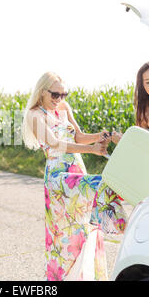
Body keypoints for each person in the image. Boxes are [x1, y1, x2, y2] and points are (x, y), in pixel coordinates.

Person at [22, 72, 127, 281]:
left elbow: (77, 136)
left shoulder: (63, 108)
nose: (59, 99)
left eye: (63, 94)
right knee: (64, 233)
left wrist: (99, 137)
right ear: (42, 92)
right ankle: (121, 226)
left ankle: (91, 268)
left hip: (77, 168)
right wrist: (92, 150)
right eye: (55, 94)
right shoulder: (35, 115)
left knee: (83, 227)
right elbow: (55, 144)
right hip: (58, 176)